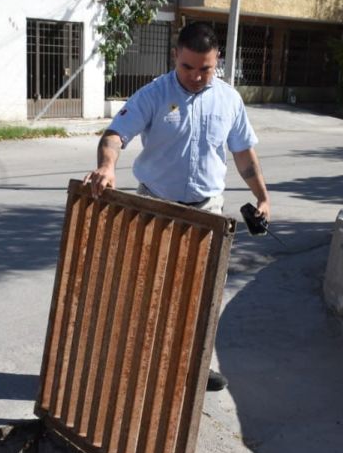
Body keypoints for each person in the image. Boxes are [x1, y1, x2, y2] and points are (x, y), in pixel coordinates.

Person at [83, 21, 270, 392]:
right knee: (149, 289)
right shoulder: (154, 94)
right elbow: (115, 135)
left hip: (207, 211)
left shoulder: (229, 100)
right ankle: (141, 365)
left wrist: (263, 196)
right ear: (175, 57)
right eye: (188, 67)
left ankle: (194, 366)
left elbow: (244, 155)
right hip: (156, 207)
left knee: (201, 293)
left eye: (206, 68)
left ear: (217, 61)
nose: (197, 76)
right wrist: (107, 166)